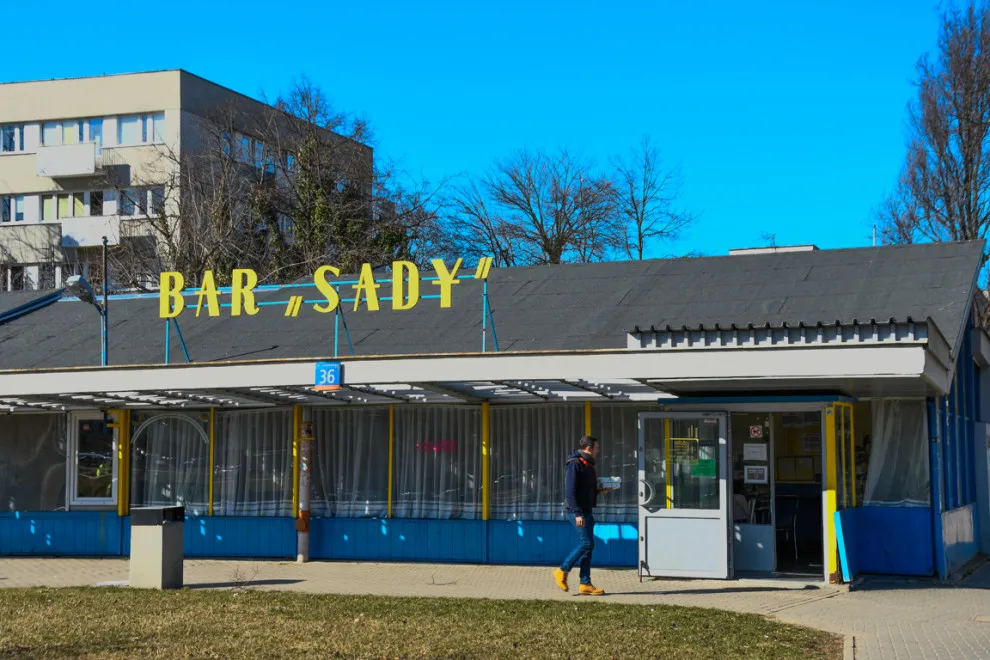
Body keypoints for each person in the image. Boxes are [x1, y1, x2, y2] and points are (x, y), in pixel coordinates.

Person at [553, 435, 606, 595]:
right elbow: (570, 491)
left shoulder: (588, 464)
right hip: (577, 511)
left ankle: (585, 584)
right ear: (589, 448)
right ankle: (562, 570)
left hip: (586, 509)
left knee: (589, 547)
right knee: (587, 543)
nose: (598, 450)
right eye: (597, 447)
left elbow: (585, 489)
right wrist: (577, 513)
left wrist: (599, 491)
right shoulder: (575, 463)